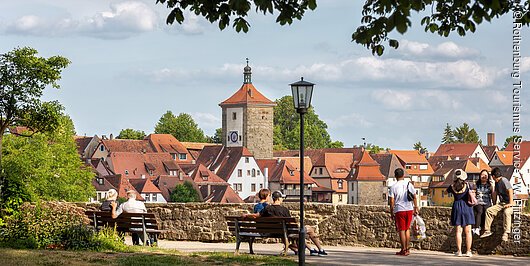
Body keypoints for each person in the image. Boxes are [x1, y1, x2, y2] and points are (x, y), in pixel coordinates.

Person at [246, 191, 327, 256]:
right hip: (286, 231)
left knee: (300, 232)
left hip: (273, 231)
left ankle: (311, 250)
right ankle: (320, 249)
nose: (282, 199)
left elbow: (257, 215)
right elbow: (291, 223)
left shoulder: (267, 208)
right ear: (277, 199)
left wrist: (246, 215)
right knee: (309, 228)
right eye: (281, 198)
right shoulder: (284, 209)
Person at [389, 168, 419, 256]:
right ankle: (408, 248)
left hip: (399, 209)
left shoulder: (393, 187)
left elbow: (391, 201)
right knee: (407, 229)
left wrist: (391, 211)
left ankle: (403, 249)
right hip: (409, 209)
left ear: (395, 176)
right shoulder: (409, 184)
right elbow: (414, 196)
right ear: (403, 175)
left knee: (401, 230)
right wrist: (416, 207)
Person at [480, 167, 514, 242]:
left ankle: (506, 233)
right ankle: (487, 230)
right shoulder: (497, 182)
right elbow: (495, 193)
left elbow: (510, 190)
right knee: (489, 211)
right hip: (501, 203)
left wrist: (510, 203)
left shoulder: (504, 180)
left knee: (507, 212)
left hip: (509, 202)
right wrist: (494, 204)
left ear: (493, 176)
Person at [447, 169, 475, 257]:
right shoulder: (467, 185)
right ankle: (468, 251)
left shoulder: (452, 187)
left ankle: (459, 251)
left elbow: (445, 192)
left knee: (458, 231)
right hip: (467, 207)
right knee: (468, 231)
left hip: (457, 207)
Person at [472, 169, 494, 235]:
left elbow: (493, 194)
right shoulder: (476, 184)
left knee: (486, 211)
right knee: (479, 211)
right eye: (482, 175)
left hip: (487, 202)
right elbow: (473, 193)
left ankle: (484, 228)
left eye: (485, 175)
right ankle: (476, 228)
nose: (484, 176)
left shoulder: (490, 185)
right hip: (478, 201)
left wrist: (494, 203)